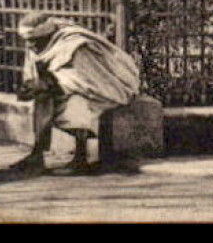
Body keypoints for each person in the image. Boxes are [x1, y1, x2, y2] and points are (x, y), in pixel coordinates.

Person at [8, 11, 142, 176]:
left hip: (101, 92)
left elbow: (85, 82)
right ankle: (37, 156)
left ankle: (80, 158)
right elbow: (37, 77)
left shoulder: (73, 45)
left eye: (33, 41)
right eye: (27, 41)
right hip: (63, 92)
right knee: (43, 99)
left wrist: (49, 86)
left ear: (46, 35)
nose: (29, 45)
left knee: (76, 105)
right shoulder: (39, 46)